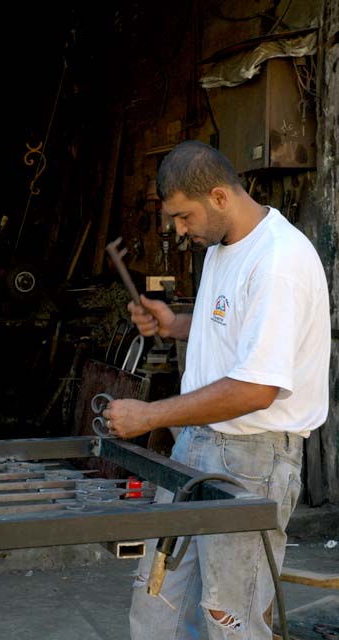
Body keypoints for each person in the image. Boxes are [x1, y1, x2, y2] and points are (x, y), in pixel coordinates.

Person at [102, 140, 331, 639]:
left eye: (184, 217)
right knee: (156, 599)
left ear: (220, 196)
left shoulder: (279, 261)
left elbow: (255, 388)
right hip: (197, 444)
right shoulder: (222, 250)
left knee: (229, 616)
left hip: (250, 457)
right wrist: (176, 324)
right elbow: (231, 330)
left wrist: (150, 416)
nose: (179, 230)